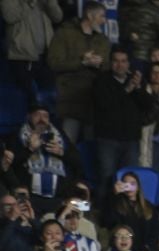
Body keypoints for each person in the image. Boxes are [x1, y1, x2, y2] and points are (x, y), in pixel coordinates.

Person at [92, 47, 153, 204]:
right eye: (116, 61)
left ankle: (126, 212)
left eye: (123, 61)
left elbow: (148, 105)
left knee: (129, 180)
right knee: (107, 178)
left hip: (131, 139)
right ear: (111, 63)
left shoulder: (136, 80)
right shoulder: (102, 80)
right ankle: (104, 214)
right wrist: (126, 90)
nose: (120, 65)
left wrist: (138, 88)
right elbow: (104, 106)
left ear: (129, 63)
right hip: (107, 139)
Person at [46, 1, 111, 144]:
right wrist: (82, 62)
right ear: (89, 15)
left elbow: (108, 67)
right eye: (101, 16)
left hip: (94, 102)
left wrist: (99, 64)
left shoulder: (103, 40)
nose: (104, 20)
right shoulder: (64, 33)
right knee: (68, 146)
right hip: (70, 101)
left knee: (92, 150)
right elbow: (54, 62)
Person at [1, 0, 62, 102]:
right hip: (22, 56)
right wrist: (30, 2)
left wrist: (50, 3)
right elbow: (10, 16)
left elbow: (58, 17)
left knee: (49, 98)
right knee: (26, 99)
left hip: (46, 56)